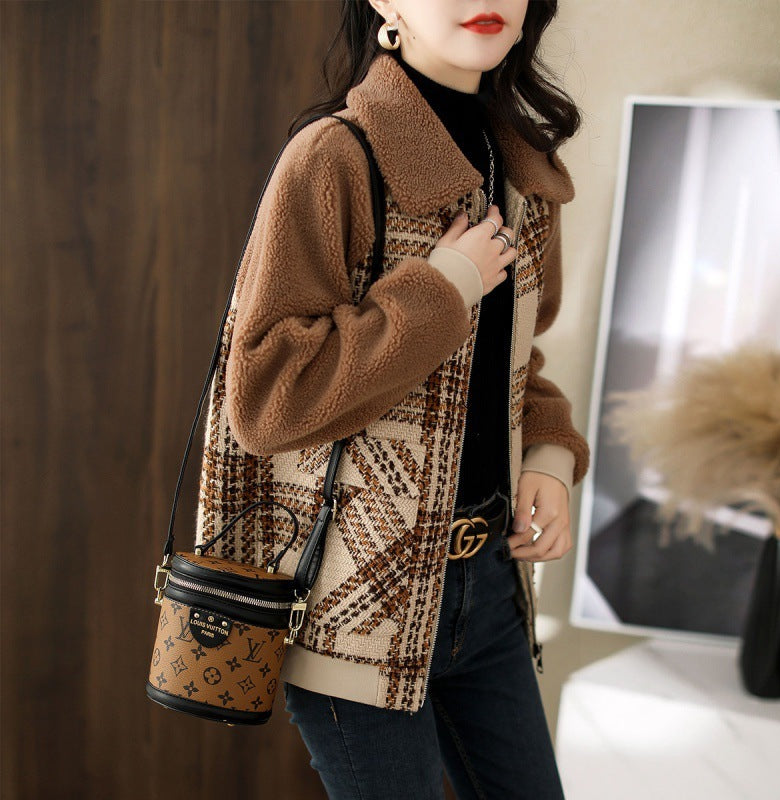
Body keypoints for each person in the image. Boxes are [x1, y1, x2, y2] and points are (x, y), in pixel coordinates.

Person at [200, 0, 590, 797]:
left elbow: (519, 364)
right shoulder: (334, 158)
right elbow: (268, 398)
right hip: (356, 613)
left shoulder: (523, 168)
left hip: (491, 590)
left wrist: (549, 455)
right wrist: (442, 291)